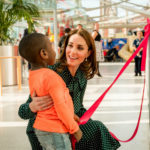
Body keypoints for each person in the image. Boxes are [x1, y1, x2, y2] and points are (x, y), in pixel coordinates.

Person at [18, 29, 120, 150]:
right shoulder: (50, 72)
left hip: (67, 124)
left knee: (98, 128)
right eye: (70, 46)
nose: (73, 52)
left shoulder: (82, 74)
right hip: (47, 132)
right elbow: (22, 112)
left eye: (80, 48)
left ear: (88, 53)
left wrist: (85, 121)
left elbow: (78, 107)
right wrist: (32, 107)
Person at [18, 33, 82, 150]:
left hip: (41, 128)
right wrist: (75, 129)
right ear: (44, 53)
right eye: (51, 47)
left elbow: (54, 104)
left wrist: (71, 115)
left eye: (80, 48)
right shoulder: (51, 76)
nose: (55, 50)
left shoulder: (34, 75)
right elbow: (60, 105)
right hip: (55, 129)